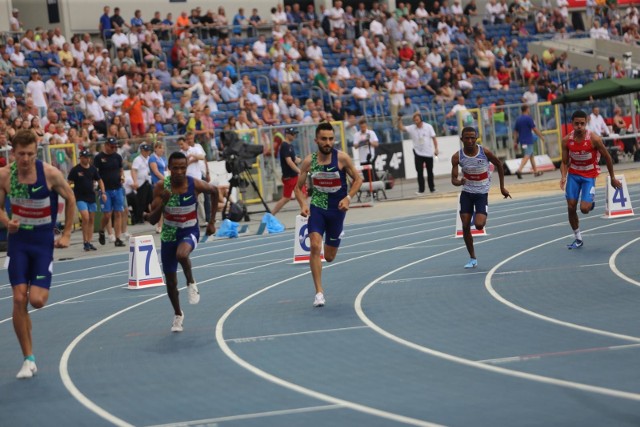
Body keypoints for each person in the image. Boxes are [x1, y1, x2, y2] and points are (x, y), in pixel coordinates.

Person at [0, 129, 76, 378]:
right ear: (13, 152)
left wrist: (65, 234)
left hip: (43, 243)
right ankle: (28, 358)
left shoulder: (50, 174)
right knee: (19, 298)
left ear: (36, 151)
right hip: (18, 243)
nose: (25, 159)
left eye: (30, 154)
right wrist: (6, 220)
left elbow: (71, 199)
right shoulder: (4, 176)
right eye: (21, 154)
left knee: (36, 301)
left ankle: (28, 346)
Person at [145, 151, 219, 332]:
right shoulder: (162, 187)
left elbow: (215, 191)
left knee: (182, 254)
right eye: (175, 168)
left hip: (189, 230)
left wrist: (211, 221)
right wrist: (163, 203)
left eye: (183, 168)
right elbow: (153, 220)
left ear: (187, 168)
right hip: (169, 234)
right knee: (170, 282)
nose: (179, 171)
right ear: (169, 168)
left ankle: (191, 282)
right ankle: (178, 314)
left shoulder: (194, 184)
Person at [294, 122, 363, 307]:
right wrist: (303, 204)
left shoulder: (342, 158)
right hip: (317, 207)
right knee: (315, 246)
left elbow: (358, 179)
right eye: (324, 139)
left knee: (330, 256)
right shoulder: (309, 161)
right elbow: (297, 188)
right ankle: (319, 293)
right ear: (316, 140)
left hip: (337, 211)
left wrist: (348, 197)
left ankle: (336, 234)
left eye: (331, 139)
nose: (327, 142)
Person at [560, 110, 622, 249]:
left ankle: (590, 202)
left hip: (589, 176)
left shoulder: (594, 139)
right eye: (576, 124)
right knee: (571, 206)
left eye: (582, 123)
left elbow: (607, 157)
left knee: (584, 209)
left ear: (586, 123)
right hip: (574, 175)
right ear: (572, 124)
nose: (579, 127)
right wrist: (563, 176)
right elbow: (564, 162)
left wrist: (612, 177)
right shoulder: (566, 140)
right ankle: (578, 238)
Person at [451, 127, 511, 268]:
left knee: (479, 225)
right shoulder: (457, 157)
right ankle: (472, 258)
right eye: (467, 138)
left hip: (481, 194)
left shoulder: (485, 152)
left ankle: (477, 214)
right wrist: (460, 182)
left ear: (477, 138)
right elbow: (453, 180)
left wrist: (502, 187)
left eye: (473, 137)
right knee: (465, 226)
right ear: (462, 139)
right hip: (466, 193)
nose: (470, 140)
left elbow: (499, 165)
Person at [67, 149, 106, 251]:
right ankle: (85, 241)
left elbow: (100, 180)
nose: (87, 159)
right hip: (80, 197)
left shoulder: (93, 169)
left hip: (91, 197)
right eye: (85, 157)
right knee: (85, 217)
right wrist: (68, 194)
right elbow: (68, 182)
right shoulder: (75, 170)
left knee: (91, 219)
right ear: (81, 158)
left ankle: (89, 241)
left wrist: (103, 192)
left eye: (88, 157)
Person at [94, 137, 126, 247]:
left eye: (115, 147)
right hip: (105, 189)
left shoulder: (117, 157)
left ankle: (118, 238)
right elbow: (96, 174)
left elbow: (121, 169)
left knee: (118, 213)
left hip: (117, 188)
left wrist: (122, 176)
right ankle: (102, 230)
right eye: (112, 146)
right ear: (106, 145)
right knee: (107, 214)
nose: (113, 149)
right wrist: (99, 189)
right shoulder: (99, 158)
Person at [399, 112, 439, 195]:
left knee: (430, 171)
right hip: (418, 153)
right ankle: (421, 190)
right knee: (419, 172)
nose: (415, 121)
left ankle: (432, 188)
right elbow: (402, 128)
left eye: (417, 119)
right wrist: (399, 120)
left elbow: (434, 138)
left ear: (421, 119)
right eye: (414, 120)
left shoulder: (428, 127)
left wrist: (436, 149)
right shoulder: (412, 128)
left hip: (428, 152)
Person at [271, 127, 302, 215]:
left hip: (293, 176)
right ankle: (306, 211)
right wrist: (299, 171)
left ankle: (271, 214)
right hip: (290, 176)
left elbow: (294, 159)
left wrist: (300, 160)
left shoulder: (290, 146)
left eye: (295, 134)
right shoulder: (284, 145)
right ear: (287, 134)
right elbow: (289, 162)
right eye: (293, 134)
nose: (294, 135)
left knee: (290, 197)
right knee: (296, 195)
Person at [513, 104, 545, 179]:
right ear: (527, 109)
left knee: (531, 156)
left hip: (522, 140)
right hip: (528, 140)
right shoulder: (528, 118)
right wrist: (541, 136)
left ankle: (535, 171)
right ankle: (519, 170)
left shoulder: (518, 119)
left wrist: (515, 142)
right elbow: (534, 129)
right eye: (529, 109)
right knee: (527, 155)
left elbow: (515, 131)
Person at [130, 143, 153, 225]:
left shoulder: (149, 159)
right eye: (146, 151)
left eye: (148, 151)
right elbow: (134, 170)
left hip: (148, 181)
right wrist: (135, 181)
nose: (147, 152)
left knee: (150, 199)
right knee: (141, 201)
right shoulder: (137, 159)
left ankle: (149, 215)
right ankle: (138, 217)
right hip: (141, 182)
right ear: (142, 151)